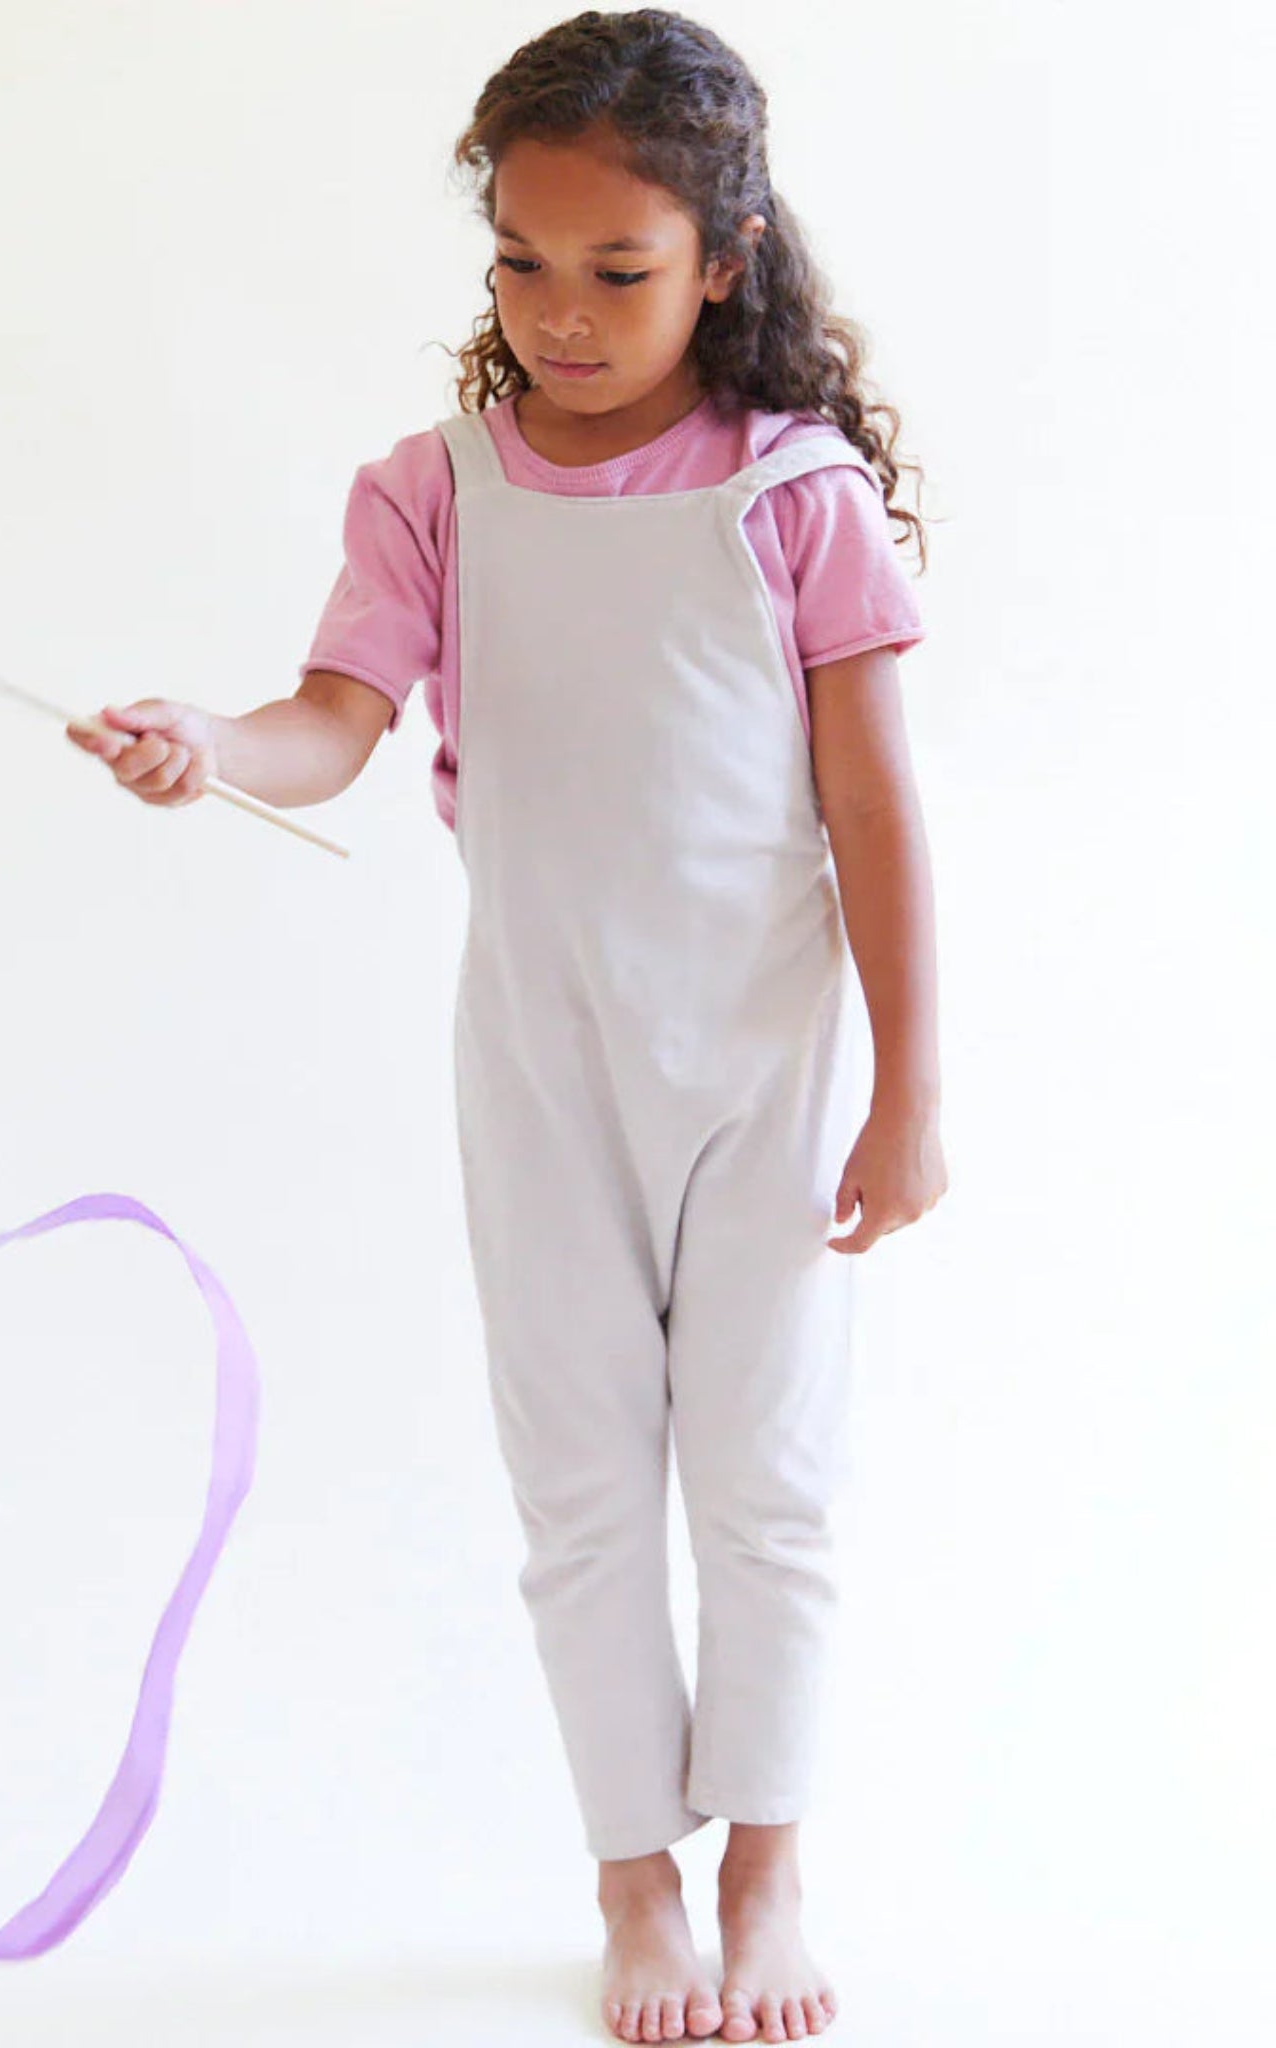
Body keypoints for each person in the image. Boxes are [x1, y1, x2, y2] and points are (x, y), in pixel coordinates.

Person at [68, 11, 946, 2042]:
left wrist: (911, 1092)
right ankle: (632, 1881)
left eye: (617, 272)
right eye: (521, 265)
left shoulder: (793, 499)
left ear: (724, 255)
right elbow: (331, 724)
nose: (561, 314)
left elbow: (880, 808)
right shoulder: (433, 492)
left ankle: (766, 1861)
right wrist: (207, 744)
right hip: (537, 1064)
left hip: (761, 1064)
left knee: (765, 1478)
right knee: (574, 1480)